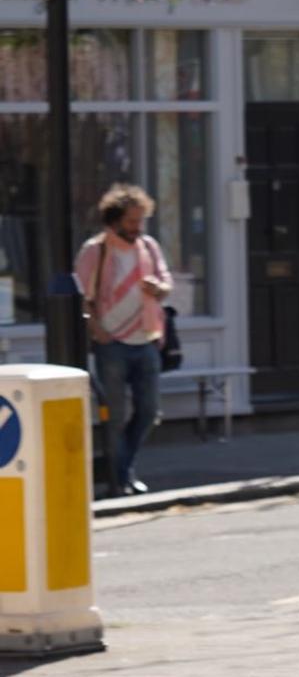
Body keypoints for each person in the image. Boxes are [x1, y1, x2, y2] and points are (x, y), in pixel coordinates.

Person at [74, 183, 174, 496]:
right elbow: (82, 296)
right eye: (132, 221)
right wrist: (96, 329)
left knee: (148, 411)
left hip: (146, 338)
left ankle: (123, 469)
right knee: (114, 416)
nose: (137, 227)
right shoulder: (96, 250)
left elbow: (167, 283)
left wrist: (158, 288)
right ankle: (120, 481)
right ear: (114, 219)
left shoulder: (148, 247)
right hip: (112, 343)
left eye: (141, 220)